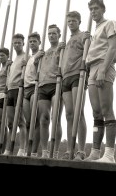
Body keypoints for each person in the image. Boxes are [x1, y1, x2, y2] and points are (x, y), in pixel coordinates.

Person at [84, 0, 116, 163]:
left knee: (106, 110)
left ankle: (109, 154)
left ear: (103, 9)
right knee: (96, 112)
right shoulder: (95, 30)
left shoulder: (110, 24)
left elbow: (112, 48)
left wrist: (103, 70)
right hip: (92, 69)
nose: (93, 11)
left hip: (103, 66)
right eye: (91, 9)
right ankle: (95, 152)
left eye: (96, 8)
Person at [59, 11, 90, 161]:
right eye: (69, 21)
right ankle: (69, 150)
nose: (71, 23)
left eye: (73, 21)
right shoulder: (67, 41)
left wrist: (88, 38)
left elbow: (89, 52)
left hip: (78, 75)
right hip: (66, 77)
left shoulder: (83, 35)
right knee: (69, 114)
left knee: (79, 112)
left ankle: (81, 151)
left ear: (79, 21)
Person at [35, 24, 63, 159]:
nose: (51, 36)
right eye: (49, 34)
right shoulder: (43, 52)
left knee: (55, 117)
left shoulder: (62, 48)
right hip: (43, 85)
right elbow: (37, 71)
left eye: (54, 33)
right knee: (43, 119)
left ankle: (55, 151)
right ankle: (45, 151)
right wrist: (36, 60)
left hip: (56, 84)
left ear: (59, 35)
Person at [4, 34, 27, 156]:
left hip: (19, 90)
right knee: (10, 123)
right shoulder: (12, 61)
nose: (17, 45)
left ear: (23, 43)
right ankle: (9, 149)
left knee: (20, 121)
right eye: (15, 43)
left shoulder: (25, 56)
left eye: (19, 42)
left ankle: (22, 149)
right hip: (10, 91)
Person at [22, 32, 41, 157]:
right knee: (28, 122)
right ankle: (27, 150)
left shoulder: (41, 54)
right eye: (30, 41)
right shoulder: (28, 57)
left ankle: (34, 151)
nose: (32, 43)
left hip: (35, 87)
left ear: (39, 42)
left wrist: (37, 61)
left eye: (34, 41)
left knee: (36, 121)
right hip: (25, 89)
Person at [0, 47, 11, 154]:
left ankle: (2, 148)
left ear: (7, 56)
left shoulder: (8, 65)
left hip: (3, 96)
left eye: (2, 55)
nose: (0, 57)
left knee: (1, 122)